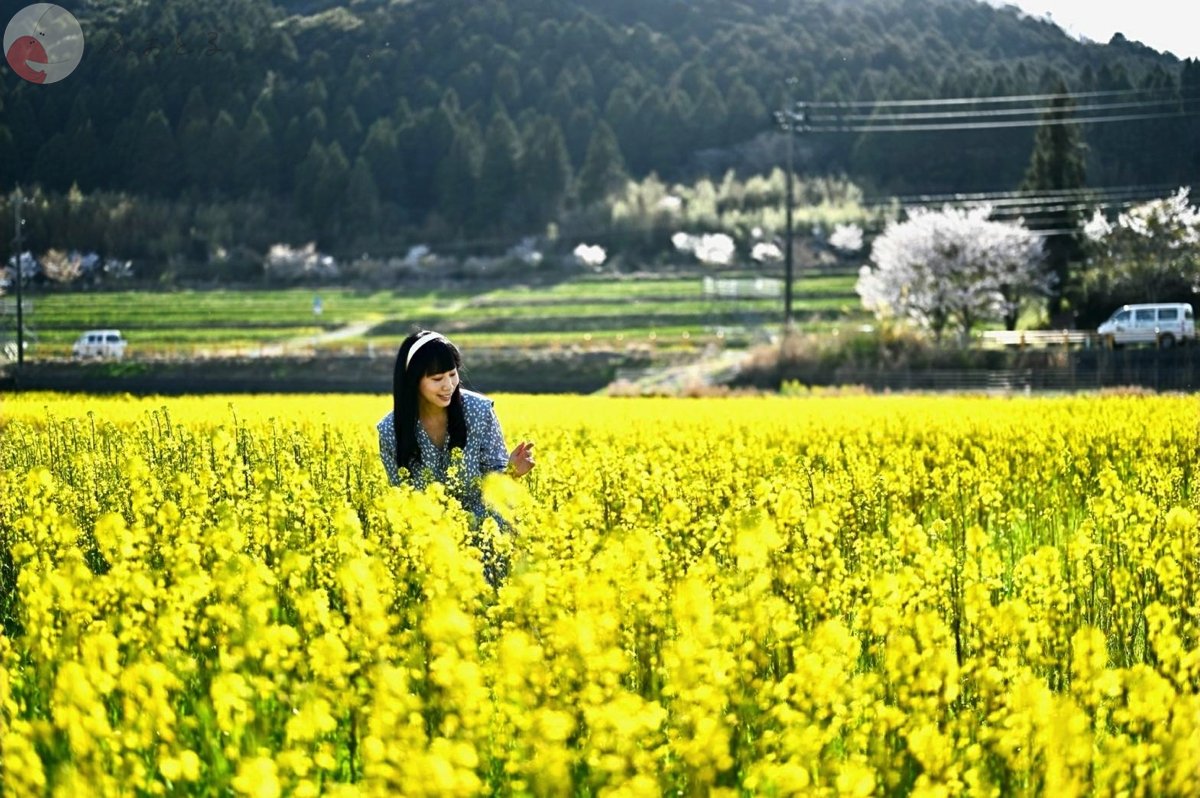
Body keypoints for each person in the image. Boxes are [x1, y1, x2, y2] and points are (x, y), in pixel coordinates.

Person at [377, 329, 534, 585]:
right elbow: (401, 497)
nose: (448, 385)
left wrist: (512, 471)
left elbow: (495, 480)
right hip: (430, 540)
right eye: (437, 378)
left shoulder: (478, 411)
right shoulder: (390, 431)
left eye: (452, 374)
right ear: (413, 381)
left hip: (486, 530)